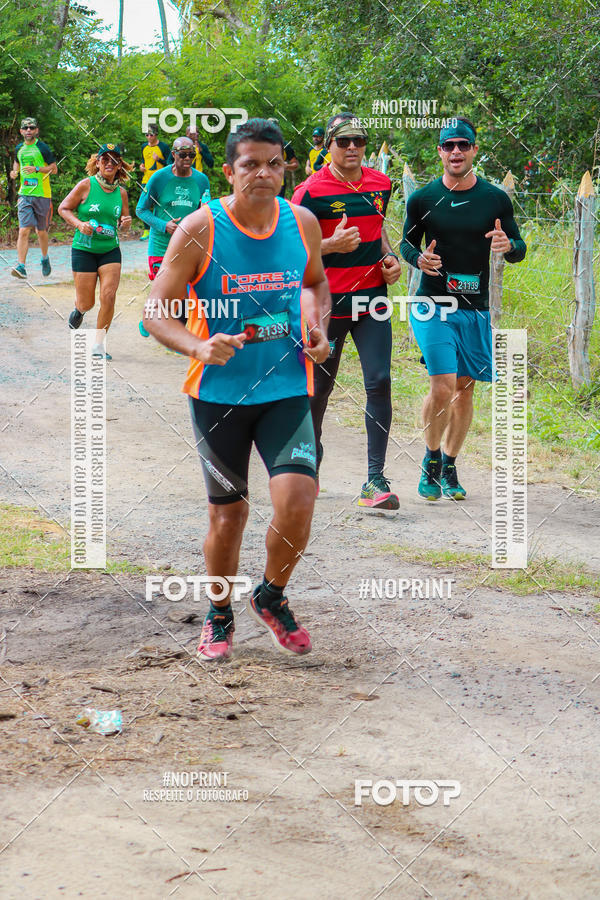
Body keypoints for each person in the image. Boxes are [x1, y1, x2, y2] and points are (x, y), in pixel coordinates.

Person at [143, 118, 330, 662]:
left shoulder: (303, 223)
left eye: (274, 163)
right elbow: (155, 311)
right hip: (219, 395)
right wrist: (198, 347)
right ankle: (219, 613)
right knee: (229, 515)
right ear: (228, 172)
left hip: (288, 385)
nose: (264, 173)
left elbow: (315, 281)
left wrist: (315, 324)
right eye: (250, 164)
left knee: (298, 500)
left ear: (286, 167)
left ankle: (270, 595)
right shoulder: (200, 229)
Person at [400, 117, 526, 500]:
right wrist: (418, 259)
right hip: (431, 305)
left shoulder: (494, 199)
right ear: (439, 151)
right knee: (442, 385)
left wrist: (508, 246)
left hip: (475, 308)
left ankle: (450, 466)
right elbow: (405, 245)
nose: (456, 151)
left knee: (465, 389)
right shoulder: (422, 198)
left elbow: (519, 247)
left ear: (473, 150)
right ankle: (431, 460)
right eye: (448, 145)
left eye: (463, 145)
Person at [292, 111, 402, 510]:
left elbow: (378, 229)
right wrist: (330, 247)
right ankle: (308, 460)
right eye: (344, 141)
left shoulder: (381, 184)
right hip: (326, 302)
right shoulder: (309, 192)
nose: (352, 147)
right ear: (329, 147)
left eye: (359, 140)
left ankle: (374, 479)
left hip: (371, 299)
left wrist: (390, 260)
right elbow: (288, 246)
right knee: (319, 388)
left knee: (380, 379)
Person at [58, 143, 133, 359]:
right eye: (105, 159)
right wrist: (79, 224)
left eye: (115, 160)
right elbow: (64, 208)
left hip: (110, 250)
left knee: (108, 296)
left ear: (120, 165)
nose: (110, 163)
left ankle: (99, 345)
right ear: (98, 162)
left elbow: (123, 222)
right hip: (84, 249)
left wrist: (125, 224)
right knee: (87, 302)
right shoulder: (85, 185)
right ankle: (79, 310)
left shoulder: (122, 193)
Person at [136, 135, 210, 337]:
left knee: (186, 294)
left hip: (188, 247)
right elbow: (141, 210)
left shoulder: (201, 180)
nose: (188, 159)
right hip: (161, 245)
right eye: (183, 155)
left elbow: (205, 209)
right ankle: (149, 315)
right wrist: (164, 225)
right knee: (165, 291)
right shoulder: (158, 178)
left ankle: (179, 335)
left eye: (191, 155)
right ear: (174, 155)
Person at [10, 117, 58, 279]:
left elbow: (54, 169)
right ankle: (21, 266)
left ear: (36, 130)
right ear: (21, 131)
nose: (29, 130)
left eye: (32, 128)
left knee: (41, 232)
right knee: (24, 230)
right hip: (25, 195)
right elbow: (17, 162)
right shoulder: (19, 148)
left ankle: (44, 258)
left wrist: (37, 168)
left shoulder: (42, 148)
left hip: (42, 195)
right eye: (26, 128)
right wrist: (14, 172)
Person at [139, 125, 170, 240]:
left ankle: (162, 227)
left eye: (151, 134)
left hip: (161, 181)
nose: (148, 137)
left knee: (161, 204)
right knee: (144, 205)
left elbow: (170, 164)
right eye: (146, 134)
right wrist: (141, 166)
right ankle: (146, 230)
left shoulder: (163, 147)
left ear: (156, 134)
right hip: (146, 180)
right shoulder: (143, 147)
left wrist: (159, 160)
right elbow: (144, 161)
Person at [268, 118, 298, 198]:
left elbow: (295, 164)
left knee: (277, 206)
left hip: (279, 182)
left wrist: (285, 166)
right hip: (262, 181)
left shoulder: (285, 145)